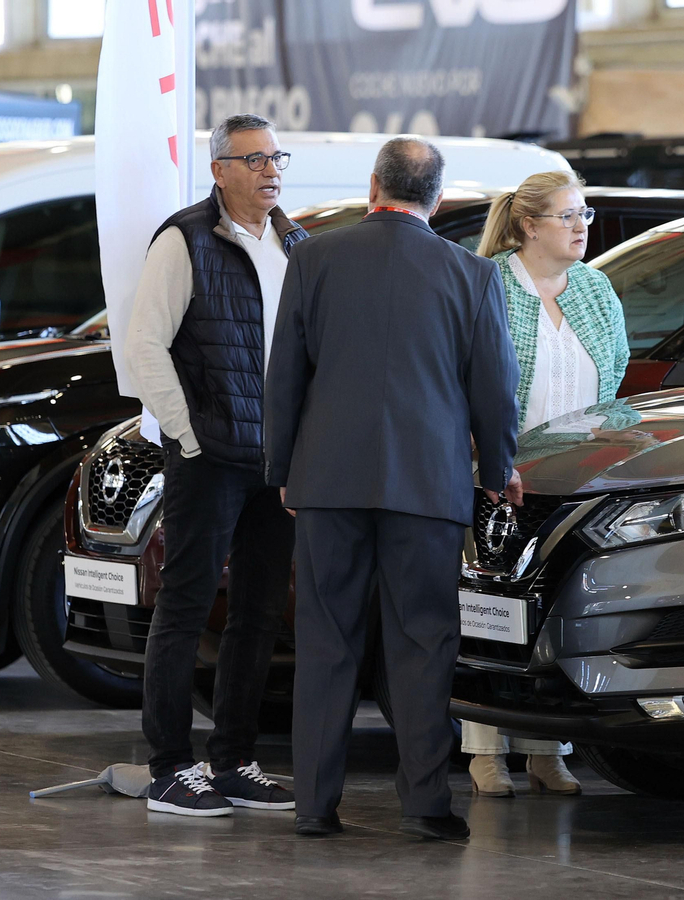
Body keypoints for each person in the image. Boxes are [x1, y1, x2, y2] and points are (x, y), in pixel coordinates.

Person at [264, 137, 520, 841]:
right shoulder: (471, 273)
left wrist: (284, 469)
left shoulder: (314, 258)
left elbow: (285, 373)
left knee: (326, 641)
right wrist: (496, 474)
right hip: (428, 485)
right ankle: (425, 807)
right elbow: (495, 391)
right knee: (423, 642)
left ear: (373, 183)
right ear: (436, 197)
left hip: (327, 480)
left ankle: (314, 806)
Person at [126, 113, 308, 817]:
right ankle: (170, 767)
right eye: (255, 159)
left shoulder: (296, 243)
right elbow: (145, 346)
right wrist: (187, 436)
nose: (271, 170)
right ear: (219, 170)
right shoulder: (185, 238)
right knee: (185, 606)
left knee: (260, 612)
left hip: (277, 459)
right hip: (210, 455)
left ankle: (233, 758)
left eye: (277, 157)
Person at [462, 170, 629, 797]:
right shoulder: (491, 283)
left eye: (585, 213)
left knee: (553, 612)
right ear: (529, 224)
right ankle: (484, 749)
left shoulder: (596, 289)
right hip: (496, 474)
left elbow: (612, 378)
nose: (581, 226)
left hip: (574, 480)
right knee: (489, 612)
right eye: (567, 215)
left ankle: (546, 748)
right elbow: (465, 376)